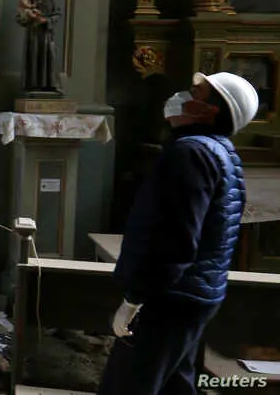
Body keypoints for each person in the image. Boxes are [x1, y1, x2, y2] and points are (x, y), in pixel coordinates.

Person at [98, 72, 259, 395]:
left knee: (127, 387)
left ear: (211, 110)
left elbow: (173, 239)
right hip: (195, 294)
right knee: (176, 386)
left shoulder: (191, 153)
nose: (182, 96)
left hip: (169, 299)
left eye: (195, 93)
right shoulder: (220, 151)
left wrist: (135, 298)